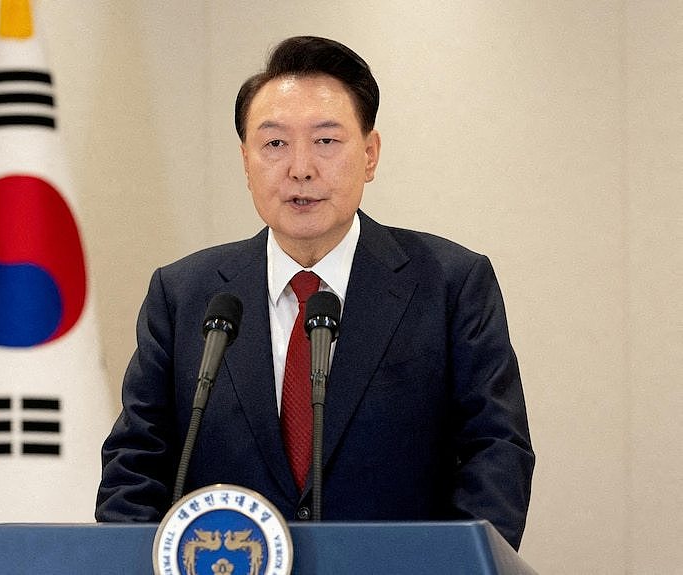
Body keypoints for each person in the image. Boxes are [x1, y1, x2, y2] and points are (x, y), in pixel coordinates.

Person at [95, 35, 534, 550]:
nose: (300, 167)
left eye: (326, 141)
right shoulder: (184, 295)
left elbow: (496, 453)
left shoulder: (450, 284)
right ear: (245, 160)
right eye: (274, 143)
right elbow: (134, 467)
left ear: (370, 155)